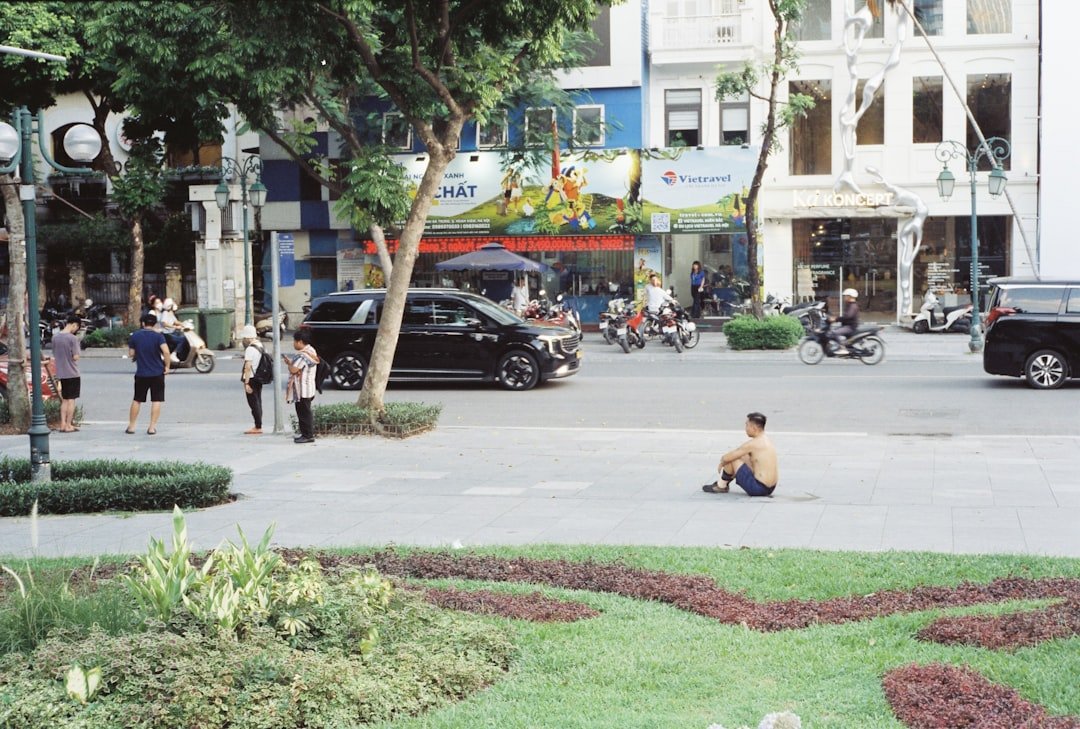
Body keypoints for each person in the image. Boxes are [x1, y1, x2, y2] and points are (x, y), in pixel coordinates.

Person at [702, 412, 779, 497]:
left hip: (758, 489)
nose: (745, 428)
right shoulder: (766, 440)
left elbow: (728, 457)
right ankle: (722, 484)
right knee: (743, 456)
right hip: (770, 488)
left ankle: (721, 486)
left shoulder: (753, 444)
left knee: (734, 459)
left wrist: (722, 462)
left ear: (754, 428)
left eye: (747, 425)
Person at [126, 313, 170, 435]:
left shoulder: (135, 336)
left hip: (141, 373)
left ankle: (132, 426)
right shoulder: (159, 336)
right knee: (156, 400)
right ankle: (151, 427)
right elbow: (166, 352)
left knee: (137, 399)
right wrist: (167, 366)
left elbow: (131, 353)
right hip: (157, 372)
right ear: (155, 324)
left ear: (143, 323)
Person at [284, 328, 319, 444]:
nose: (293, 344)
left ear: (300, 342)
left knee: (304, 413)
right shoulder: (311, 351)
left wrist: (289, 365)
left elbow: (294, 369)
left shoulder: (303, 355)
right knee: (305, 412)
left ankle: (308, 435)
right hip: (308, 387)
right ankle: (305, 434)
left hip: (303, 389)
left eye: (294, 341)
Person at [51, 313, 82, 433]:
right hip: (72, 373)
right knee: (71, 400)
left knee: (64, 399)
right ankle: (69, 425)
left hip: (61, 373)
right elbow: (76, 357)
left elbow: (55, 354)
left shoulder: (55, 337)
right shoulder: (73, 339)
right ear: (74, 325)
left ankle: (62, 424)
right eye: (77, 328)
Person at [240, 324, 264, 435]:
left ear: (248, 337)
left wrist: (246, 383)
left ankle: (258, 426)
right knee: (258, 401)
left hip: (251, 378)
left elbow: (248, 366)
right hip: (258, 377)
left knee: (253, 403)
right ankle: (258, 424)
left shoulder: (250, 349)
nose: (243, 340)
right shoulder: (260, 345)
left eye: (244, 338)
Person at [831, 288, 861, 353]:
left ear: (850, 296)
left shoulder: (853, 306)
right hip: (848, 326)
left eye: (846, 296)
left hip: (850, 327)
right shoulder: (850, 304)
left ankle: (842, 348)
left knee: (835, 332)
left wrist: (836, 319)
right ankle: (848, 348)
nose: (844, 297)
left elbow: (848, 316)